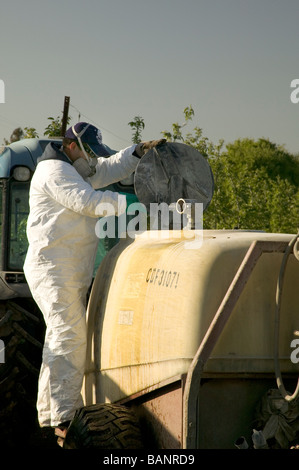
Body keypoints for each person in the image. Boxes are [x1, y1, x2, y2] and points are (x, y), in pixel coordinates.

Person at [23, 122, 165, 443]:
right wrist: (131, 204)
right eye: (91, 156)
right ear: (71, 146)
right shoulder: (54, 173)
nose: (94, 163)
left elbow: (107, 169)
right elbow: (87, 201)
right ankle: (65, 419)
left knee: (60, 337)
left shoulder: (75, 167)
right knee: (68, 336)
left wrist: (136, 152)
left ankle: (51, 415)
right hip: (53, 269)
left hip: (67, 270)